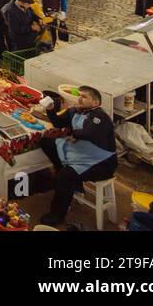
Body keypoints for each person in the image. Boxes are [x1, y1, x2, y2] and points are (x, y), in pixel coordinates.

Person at [38, 85, 118, 227]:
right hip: (81, 153)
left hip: (100, 163)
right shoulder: (75, 111)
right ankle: (69, 181)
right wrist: (51, 110)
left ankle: (57, 215)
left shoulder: (100, 116)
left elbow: (90, 133)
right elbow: (58, 122)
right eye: (79, 95)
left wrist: (75, 134)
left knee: (66, 175)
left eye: (84, 96)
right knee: (47, 143)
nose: (80, 98)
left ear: (95, 102)